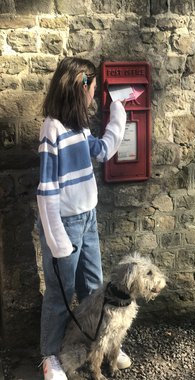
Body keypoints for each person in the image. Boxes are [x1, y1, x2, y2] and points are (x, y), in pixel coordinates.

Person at [37, 56, 130, 380]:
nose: (95, 94)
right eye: (93, 86)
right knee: (59, 295)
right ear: (81, 86)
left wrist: (118, 112)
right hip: (65, 225)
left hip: (87, 219)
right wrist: (57, 240)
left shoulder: (78, 126)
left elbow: (103, 150)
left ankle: (96, 347)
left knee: (93, 288)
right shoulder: (53, 129)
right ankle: (51, 358)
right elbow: (46, 191)